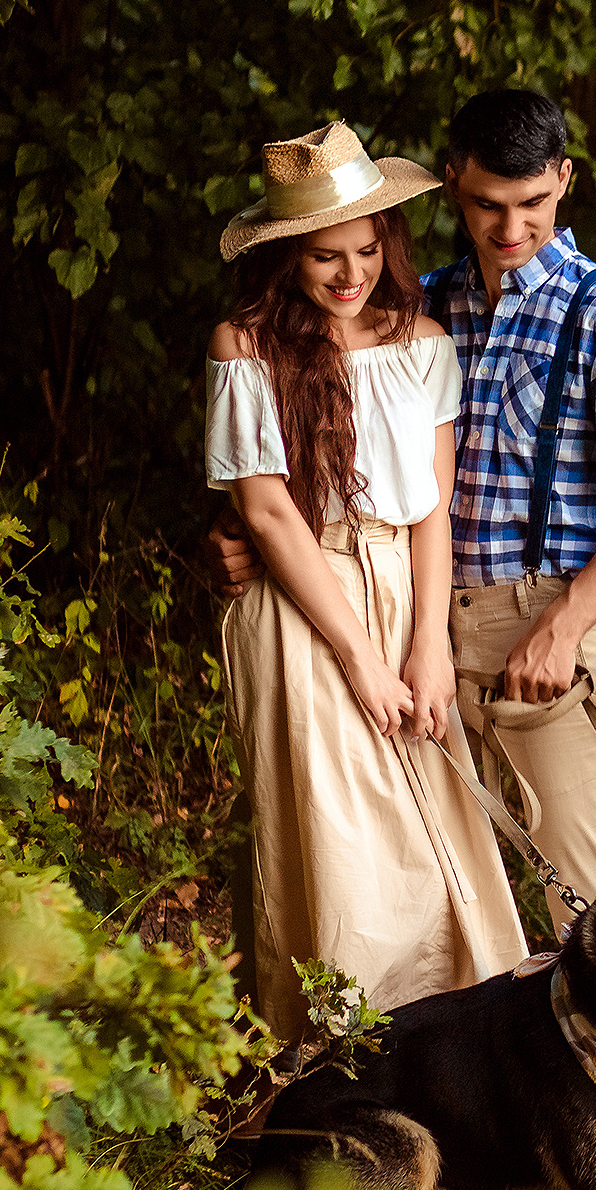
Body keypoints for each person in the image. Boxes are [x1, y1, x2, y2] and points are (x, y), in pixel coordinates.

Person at [208, 89, 596, 1190]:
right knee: (440, 882)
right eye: (484, 206)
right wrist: (240, 540)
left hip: (543, 632)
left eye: (529, 205)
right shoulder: (439, 310)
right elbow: (323, 467)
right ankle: (419, 1138)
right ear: (459, 199)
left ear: (565, 185)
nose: (508, 228)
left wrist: (566, 621)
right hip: (425, 630)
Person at [207, 121, 529, 1045]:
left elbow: (433, 504)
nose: (349, 274)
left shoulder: (422, 339)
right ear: (284, 259)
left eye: (364, 250)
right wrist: (360, 658)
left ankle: (453, 1064)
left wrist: (426, 648)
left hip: (403, 591)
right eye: (323, 256)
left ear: (387, 244)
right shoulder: (244, 347)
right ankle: (333, 1074)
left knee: (434, 838)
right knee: (334, 839)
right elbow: (267, 514)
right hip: (306, 603)